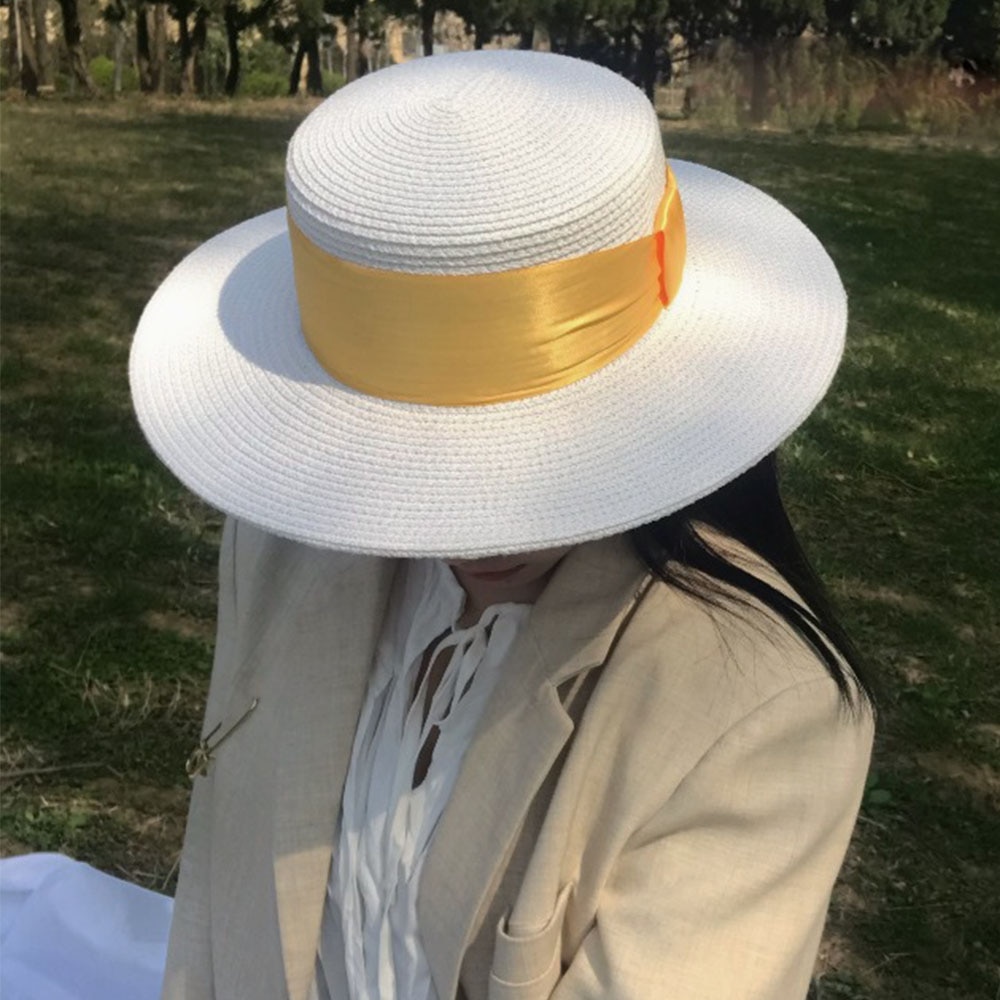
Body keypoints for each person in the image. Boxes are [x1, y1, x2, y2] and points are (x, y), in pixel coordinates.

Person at [130, 49, 875, 1000]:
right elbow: (226, 883)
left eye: (504, 459)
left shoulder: (757, 712)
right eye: (407, 449)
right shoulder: (285, 542)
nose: (471, 531)